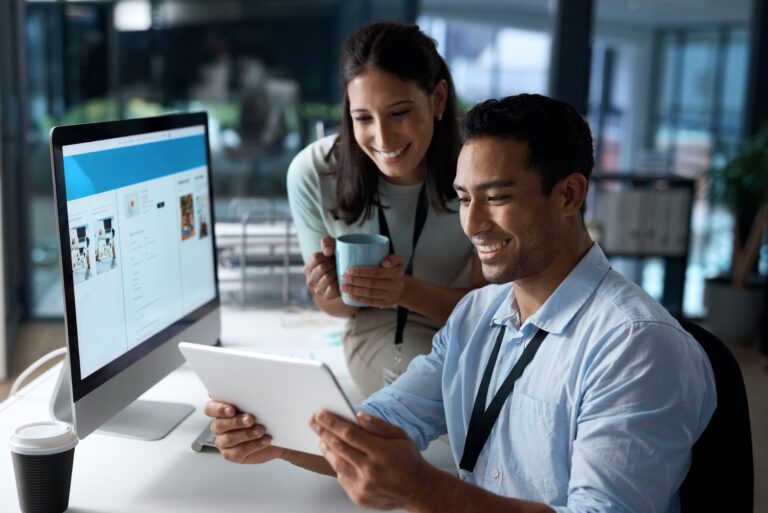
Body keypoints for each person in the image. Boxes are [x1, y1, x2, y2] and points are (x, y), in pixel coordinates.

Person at [207, 94, 717, 513]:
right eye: (465, 199)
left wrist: (424, 489)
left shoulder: (637, 345)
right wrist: (273, 436)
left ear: (568, 195)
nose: (472, 226)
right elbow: (382, 423)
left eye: (496, 198)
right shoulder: (478, 314)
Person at [287, 22, 484, 396]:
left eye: (398, 113)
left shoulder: (479, 169)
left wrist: (404, 290)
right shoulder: (314, 172)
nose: (382, 137)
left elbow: (492, 315)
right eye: (363, 118)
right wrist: (330, 288)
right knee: (447, 402)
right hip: (377, 329)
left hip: (468, 326)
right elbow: (339, 310)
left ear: (439, 99)